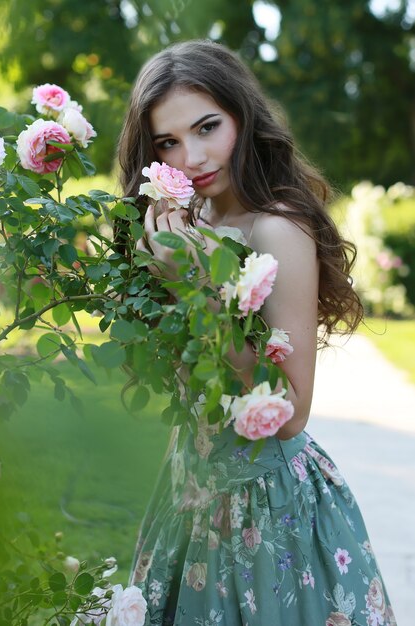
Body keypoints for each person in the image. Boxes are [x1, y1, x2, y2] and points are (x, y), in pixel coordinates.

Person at [117, 39, 397, 626]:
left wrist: (193, 288)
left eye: (207, 127)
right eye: (168, 141)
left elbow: (290, 409)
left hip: (264, 508)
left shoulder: (277, 229)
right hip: (186, 494)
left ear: (242, 116)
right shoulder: (189, 222)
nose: (191, 156)